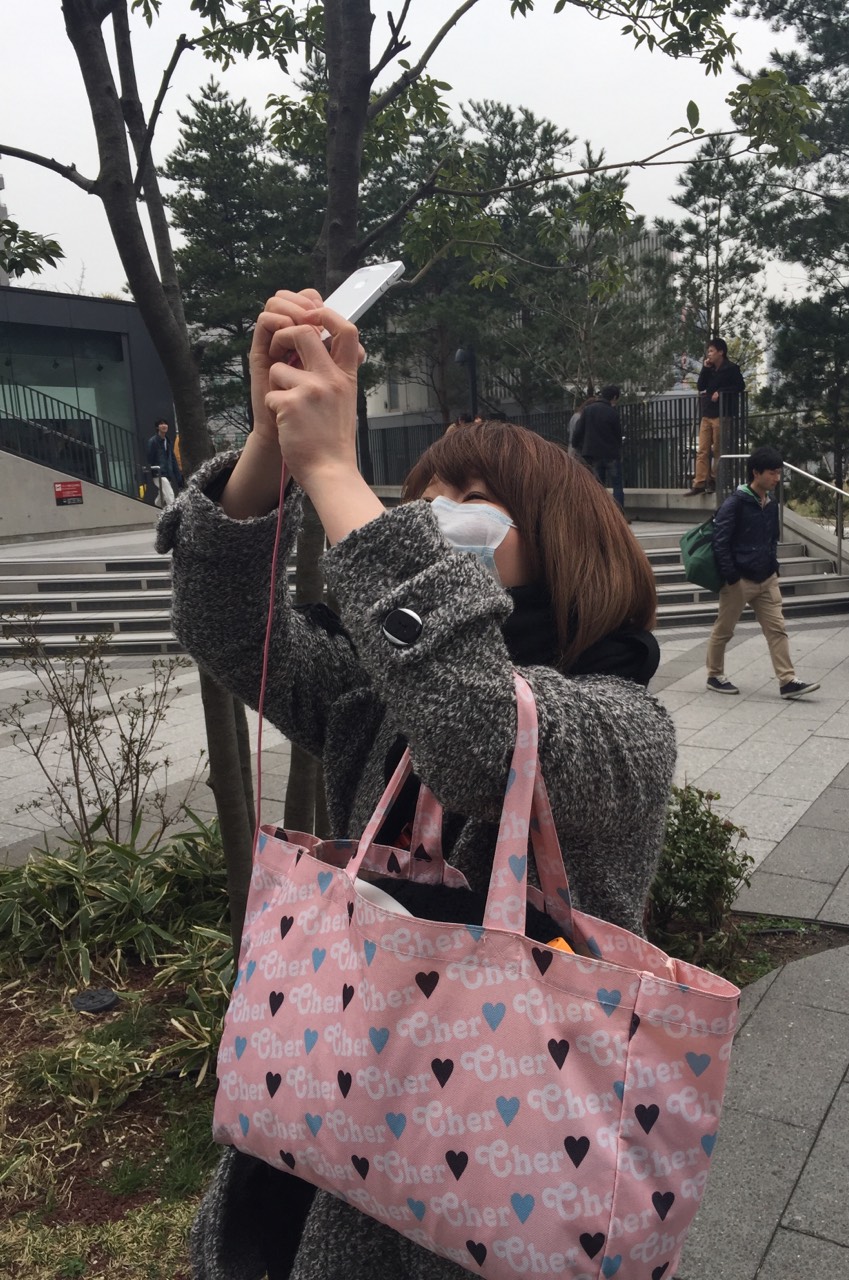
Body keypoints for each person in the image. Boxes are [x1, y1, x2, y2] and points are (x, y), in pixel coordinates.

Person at [157, 287, 676, 1280]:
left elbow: (481, 734)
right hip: (312, 1135)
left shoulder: (624, 728)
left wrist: (335, 472)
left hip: (491, 1187)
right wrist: (273, 446)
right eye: (419, 498)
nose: (432, 516)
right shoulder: (370, 700)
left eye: (471, 494)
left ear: (562, 535)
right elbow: (223, 623)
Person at [705, 444, 820, 699]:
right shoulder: (735, 503)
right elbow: (720, 542)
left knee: (777, 629)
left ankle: (787, 681)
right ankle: (714, 674)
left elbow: (771, 539)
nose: (777, 478)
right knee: (724, 629)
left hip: (767, 578)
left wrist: (773, 567)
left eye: (779, 473)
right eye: (772, 473)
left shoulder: (771, 503)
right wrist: (732, 577)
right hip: (739, 580)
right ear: (756, 473)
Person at [684, 338, 745, 497]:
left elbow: (740, 386)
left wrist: (721, 392)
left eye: (711, 351)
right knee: (702, 449)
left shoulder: (731, 369)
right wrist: (705, 369)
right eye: (708, 351)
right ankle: (699, 482)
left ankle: (714, 480)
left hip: (722, 413)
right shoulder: (709, 369)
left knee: (718, 449)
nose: (709, 354)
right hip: (707, 413)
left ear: (721, 352)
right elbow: (701, 386)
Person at [571, 383, 624, 509]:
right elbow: (618, 434)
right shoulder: (612, 412)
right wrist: (619, 449)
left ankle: (600, 511)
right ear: (614, 397)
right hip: (611, 454)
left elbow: (579, 430)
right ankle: (618, 512)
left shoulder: (588, 410)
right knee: (617, 484)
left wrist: (575, 445)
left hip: (593, 454)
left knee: (598, 485)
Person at [146, 418, 182, 508]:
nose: (164, 426)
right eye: (161, 424)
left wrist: (178, 477)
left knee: (160, 498)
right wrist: (151, 472)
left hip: (167, 473)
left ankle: (155, 508)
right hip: (158, 473)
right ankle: (174, 513)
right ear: (157, 427)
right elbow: (149, 458)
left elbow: (173, 460)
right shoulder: (153, 441)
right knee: (170, 495)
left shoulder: (168, 442)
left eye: (165, 424)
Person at [566, 394, 597, 459]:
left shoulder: (575, 416)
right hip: (577, 448)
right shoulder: (580, 418)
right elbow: (578, 432)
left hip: (571, 445)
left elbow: (569, 430)